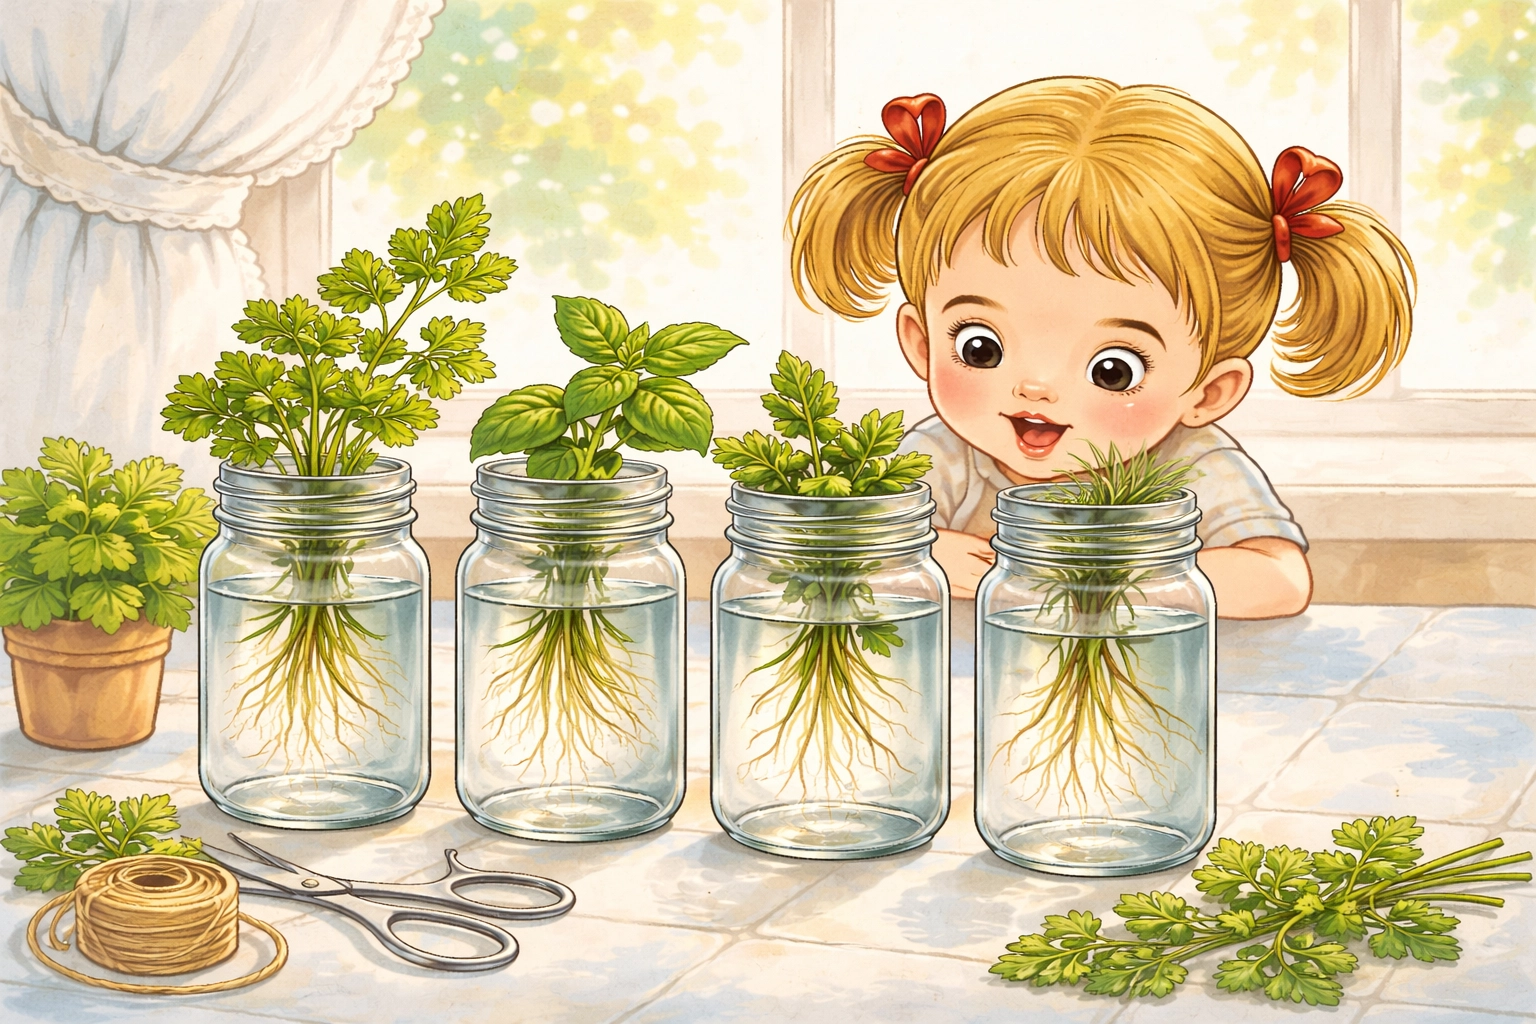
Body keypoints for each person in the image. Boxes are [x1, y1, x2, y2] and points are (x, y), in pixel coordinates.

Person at [786, 78, 1414, 618]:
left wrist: (1114, 581)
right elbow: (847, 554)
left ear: (1209, 392)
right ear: (922, 345)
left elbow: (1281, 579)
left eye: (1111, 370)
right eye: (980, 347)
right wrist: (918, 552)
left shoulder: (1191, 461)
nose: (1036, 386)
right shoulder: (943, 455)